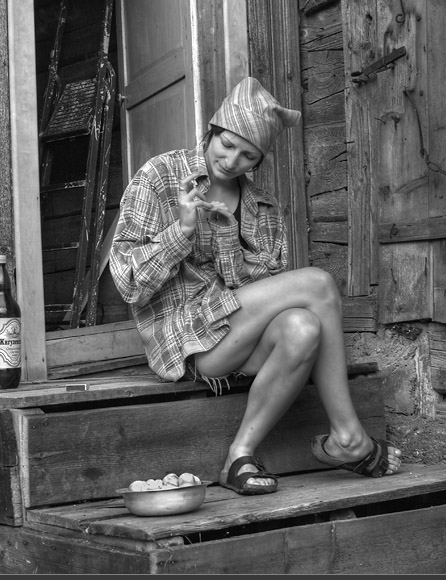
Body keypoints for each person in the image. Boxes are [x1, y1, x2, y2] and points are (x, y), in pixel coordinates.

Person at [109, 77, 402, 496]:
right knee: (318, 284)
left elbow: (267, 297)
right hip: (188, 341)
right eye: (226, 145)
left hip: (240, 339)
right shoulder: (158, 176)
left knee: (302, 325)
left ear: (258, 161)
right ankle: (349, 437)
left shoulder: (263, 208)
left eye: (247, 156)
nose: (230, 161)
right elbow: (130, 284)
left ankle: (239, 455)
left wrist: (230, 241)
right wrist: (183, 229)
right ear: (211, 130)